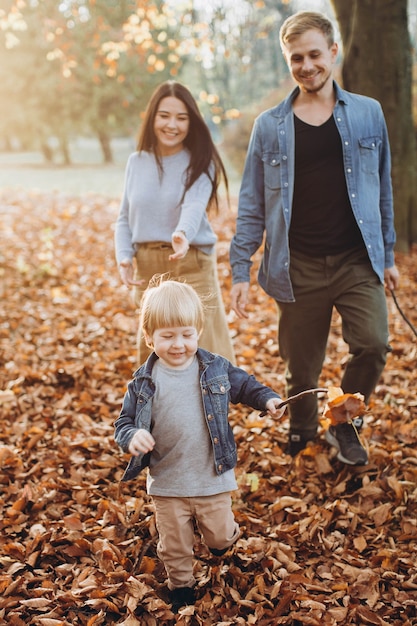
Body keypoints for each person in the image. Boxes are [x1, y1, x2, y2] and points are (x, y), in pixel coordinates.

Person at [229, 11, 400, 466]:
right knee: (300, 367)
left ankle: (343, 423)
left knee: (373, 343)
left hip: (355, 259)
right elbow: (251, 202)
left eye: (314, 55)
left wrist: (387, 255)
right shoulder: (270, 126)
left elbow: (382, 187)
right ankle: (303, 426)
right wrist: (240, 268)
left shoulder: (368, 112)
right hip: (296, 263)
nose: (307, 66)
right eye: (296, 58)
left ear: (334, 52)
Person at [114, 278, 285, 613]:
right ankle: (181, 589)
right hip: (168, 481)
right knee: (175, 545)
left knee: (219, 537)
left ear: (198, 331)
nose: (178, 344)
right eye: (167, 336)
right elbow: (123, 424)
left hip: (211, 476)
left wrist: (267, 399)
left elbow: (245, 386)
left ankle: (223, 542)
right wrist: (133, 436)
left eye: (186, 334)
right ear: (149, 337)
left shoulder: (214, 369)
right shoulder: (142, 383)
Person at [114, 80, 235, 364]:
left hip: (190, 262)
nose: (172, 125)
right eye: (164, 115)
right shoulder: (137, 162)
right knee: (156, 358)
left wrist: (182, 233)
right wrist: (124, 256)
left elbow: (194, 204)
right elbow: (124, 218)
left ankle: (211, 409)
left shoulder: (201, 160)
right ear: (152, 117)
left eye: (182, 118)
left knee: (203, 352)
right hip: (148, 269)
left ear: (191, 123)